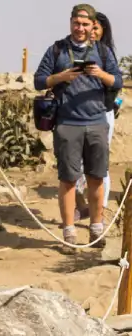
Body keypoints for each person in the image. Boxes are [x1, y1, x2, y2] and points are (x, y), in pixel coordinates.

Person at [33, 4, 124, 250]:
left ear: (92, 25)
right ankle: (69, 231)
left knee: (96, 178)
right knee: (68, 180)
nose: (80, 28)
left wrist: (100, 74)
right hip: (66, 123)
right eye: (76, 23)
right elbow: (39, 81)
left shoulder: (103, 51)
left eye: (85, 24)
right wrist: (61, 77)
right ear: (70, 22)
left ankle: (96, 229)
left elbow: (118, 80)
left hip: (96, 122)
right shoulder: (57, 49)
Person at [73, 11, 121, 221]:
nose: (91, 32)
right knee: (77, 163)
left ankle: (99, 210)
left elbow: (115, 85)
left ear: (102, 32)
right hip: (77, 115)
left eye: (96, 28)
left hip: (102, 113)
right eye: (89, 27)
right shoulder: (74, 51)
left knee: (99, 163)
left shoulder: (105, 55)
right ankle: (81, 206)